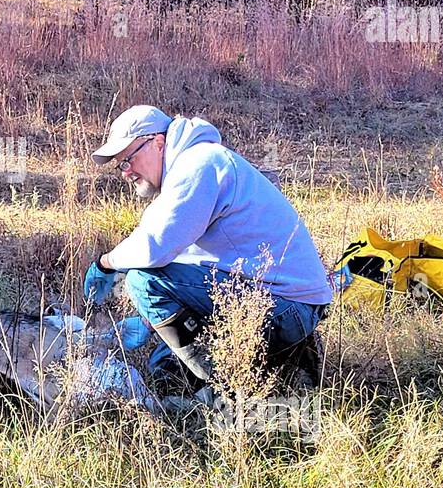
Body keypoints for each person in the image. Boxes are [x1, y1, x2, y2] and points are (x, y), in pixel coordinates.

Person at [84, 105, 332, 390]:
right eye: (120, 166)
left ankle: (225, 389)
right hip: (288, 304)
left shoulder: (198, 164)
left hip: (287, 309)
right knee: (165, 360)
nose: (126, 173)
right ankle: (286, 361)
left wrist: (105, 263)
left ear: (157, 142)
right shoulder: (193, 168)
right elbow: (183, 260)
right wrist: (152, 322)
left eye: (127, 160)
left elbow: (155, 246)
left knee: (142, 282)